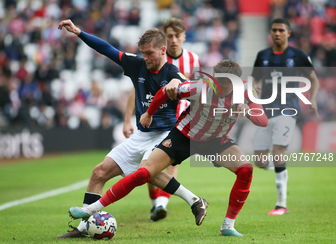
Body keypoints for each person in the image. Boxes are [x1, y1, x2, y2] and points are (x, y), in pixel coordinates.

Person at [68, 59, 269, 237]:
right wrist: (149, 113)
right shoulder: (200, 87)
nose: (218, 84)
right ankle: (91, 209)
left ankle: (228, 226)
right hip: (184, 136)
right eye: (217, 79)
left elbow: (263, 120)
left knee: (246, 170)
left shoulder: (246, 92)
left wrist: (249, 111)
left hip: (216, 140)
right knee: (144, 173)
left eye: (224, 82)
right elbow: (164, 93)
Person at [55, 19, 197, 238]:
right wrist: (79, 32)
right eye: (143, 52)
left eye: (149, 53)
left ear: (162, 50)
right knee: (99, 172)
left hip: (164, 134)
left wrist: (178, 85)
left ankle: (194, 200)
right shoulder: (136, 64)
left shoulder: (172, 73)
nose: (146, 57)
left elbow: (189, 87)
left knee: (146, 172)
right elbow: (106, 49)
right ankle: (84, 228)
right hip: (141, 135)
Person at [123, 17, 201, 222]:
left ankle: (161, 204)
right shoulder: (152, 59)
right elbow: (136, 89)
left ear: (184, 37)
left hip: (180, 120)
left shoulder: (193, 59)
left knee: (170, 162)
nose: (174, 40)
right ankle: (155, 204)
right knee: (150, 163)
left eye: (177, 35)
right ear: (164, 41)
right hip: (152, 119)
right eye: (170, 36)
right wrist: (127, 119)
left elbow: (196, 88)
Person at [251, 18, 319, 215]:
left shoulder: (298, 56)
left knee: (278, 151)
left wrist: (312, 99)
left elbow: (313, 80)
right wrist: (255, 85)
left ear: (288, 33)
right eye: (274, 30)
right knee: (260, 161)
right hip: (265, 111)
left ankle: (281, 205)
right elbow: (255, 78)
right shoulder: (262, 55)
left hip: (288, 110)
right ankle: (278, 167)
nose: (277, 33)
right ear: (270, 33)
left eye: (281, 30)